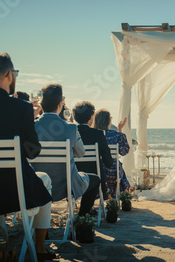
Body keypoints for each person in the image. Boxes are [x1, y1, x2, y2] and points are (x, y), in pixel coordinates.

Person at [0, 53, 54, 260]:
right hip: (14, 192)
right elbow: (32, 152)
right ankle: (41, 248)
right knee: (44, 182)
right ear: (9, 75)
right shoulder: (22, 108)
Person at [32, 84, 101, 216]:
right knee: (95, 180)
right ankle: (81, 218)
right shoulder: (71, 128)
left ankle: (41, 229)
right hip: (65, 187)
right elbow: (81, 154)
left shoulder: (32, 127)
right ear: (60, 105)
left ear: (41, 104)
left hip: (39, 187)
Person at [73, 101, 114, 198]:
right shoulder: (98, 134)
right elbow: (108, 163)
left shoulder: (71, 133)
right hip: (94, 182)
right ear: (91, 117)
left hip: (74, 180)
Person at [93, 109, 131, 199]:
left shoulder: (92, 135)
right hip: (113, 171)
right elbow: (124, 152)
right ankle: (117, 196)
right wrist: (120, 129)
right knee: (119, 166)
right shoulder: (116, 135)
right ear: (108, 121)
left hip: (96, 170)